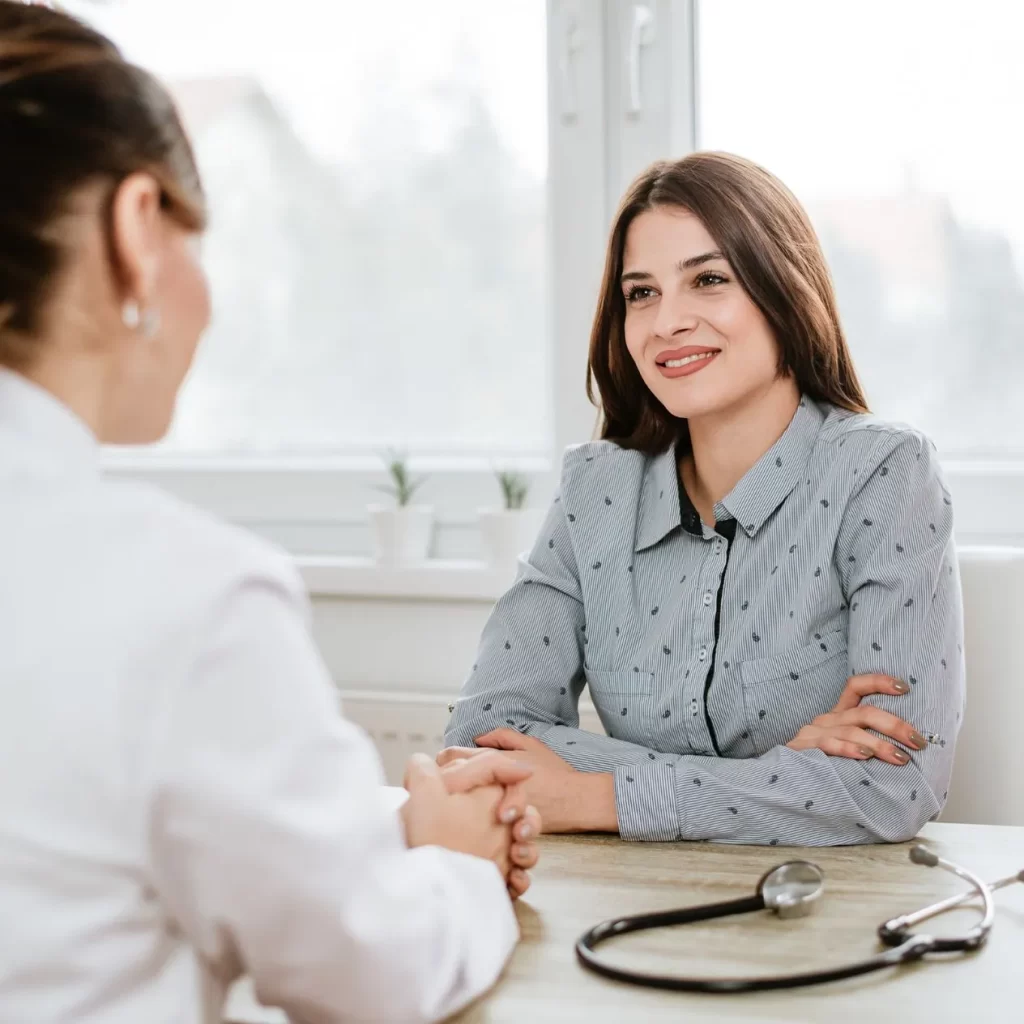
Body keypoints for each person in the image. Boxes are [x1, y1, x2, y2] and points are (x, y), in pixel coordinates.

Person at [0, 4, 540, 1022]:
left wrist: (379, 836)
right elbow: (369, 976)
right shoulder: (177, 595)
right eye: (195, 243)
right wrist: (457, 868)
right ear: (133, 227)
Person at [442, 152, 965, 847]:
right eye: (641, 293)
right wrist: (780, 775)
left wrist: (597, 796)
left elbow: (898, 785)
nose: (667, 323)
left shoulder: (884, 474)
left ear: (783, 290)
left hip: (828, 915)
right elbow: (481, 739)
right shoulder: (594, 491)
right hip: (639, 903)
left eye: (709, 280)